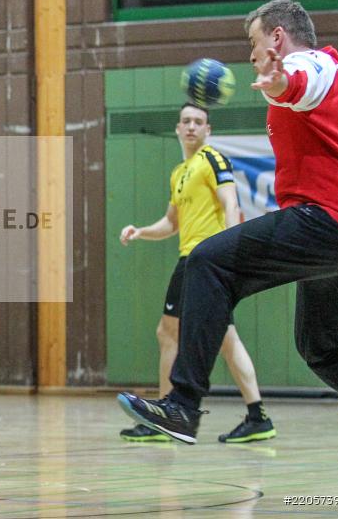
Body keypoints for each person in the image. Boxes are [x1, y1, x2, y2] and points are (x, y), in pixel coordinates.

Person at [118, 0, 338, 444]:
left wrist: (282, 82)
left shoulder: (310, 67)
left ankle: (182, 406)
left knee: (208, 261)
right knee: (322, 347)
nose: (250, 55)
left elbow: (299, 82)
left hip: (328, 220)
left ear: (278, 38)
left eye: (254, 41)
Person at [118, 104, 275, 443]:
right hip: (193, 260)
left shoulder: (212, 159)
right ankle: (257, 415)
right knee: (224, 338)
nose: (191, 127)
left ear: (208, 130)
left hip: (204, 259)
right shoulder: (179, 172)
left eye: (198, 122)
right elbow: (171, 223)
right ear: (177, 129)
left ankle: (163, 414)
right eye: (186, 121)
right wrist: (141, 231)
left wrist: (232, 252)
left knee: (168, 332)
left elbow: (231, 203)